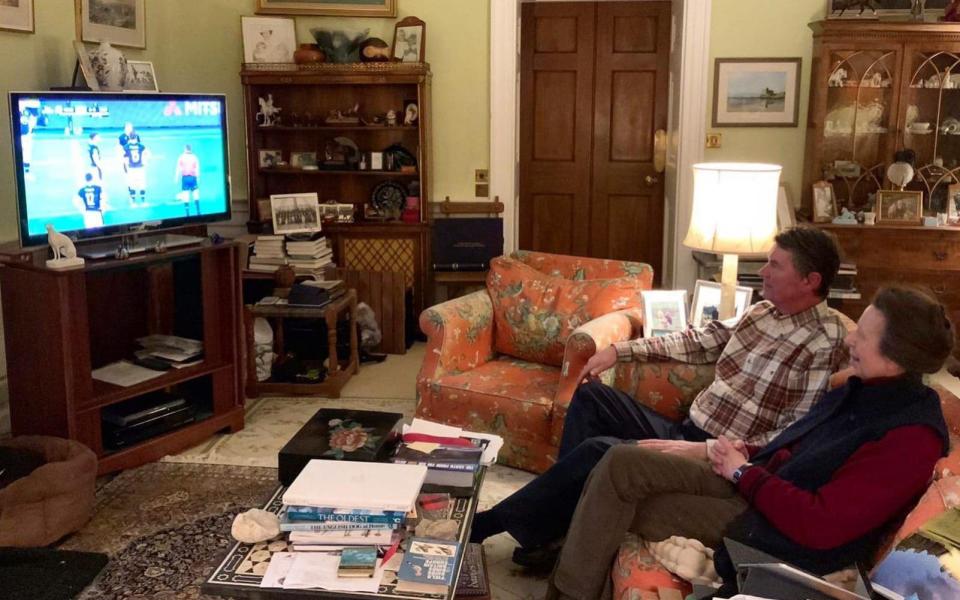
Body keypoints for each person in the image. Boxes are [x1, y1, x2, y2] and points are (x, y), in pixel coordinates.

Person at [470, 226, 848, 568]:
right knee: (593, 398)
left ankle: (487, 525)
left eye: (775, 266)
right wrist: (619, 350)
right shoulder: (763, 312)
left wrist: (713, 449)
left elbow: (789, 438)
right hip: (687, 428)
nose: (763, 272)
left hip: (716, 459)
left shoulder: (823, 341)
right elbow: (700, 340)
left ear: (809, 280)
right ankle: (563, 527)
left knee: (603, 451)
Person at [546, 285, 953, 599]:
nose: (850, 341)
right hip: (760, 484)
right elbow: (803, 446)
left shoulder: (911, 438)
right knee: (620, 460)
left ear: (897, 359)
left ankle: (569, 592)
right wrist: (746, 457)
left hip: (778, 531)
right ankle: (569, 587)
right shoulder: (863, 387)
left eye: (862, 336)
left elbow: (821, 525)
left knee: (632, 506)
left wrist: (744, 474)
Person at [122, 133, 148, 204]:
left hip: (131, 168)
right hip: (140, 167)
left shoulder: (126, 147)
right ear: (136, 137)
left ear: (129, 138)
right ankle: (143, 200)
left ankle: (133, 200)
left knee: (132, 184)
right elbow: (147, 154)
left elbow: (124, 158)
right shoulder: (141, 146)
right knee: (142, 183)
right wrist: (144, 162)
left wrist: (126, 167)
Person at [175, 144, 200, 216]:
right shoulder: (194, 157)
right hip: (193, 178)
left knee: (186, 195)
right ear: (190, 149)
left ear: (185, 149)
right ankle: (198, 212)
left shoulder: (181, 157)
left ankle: (187, 214)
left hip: (185, 178)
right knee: (195, 194)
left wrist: (176, 178)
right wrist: (198, 178)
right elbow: (197, 168)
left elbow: (178, 168)